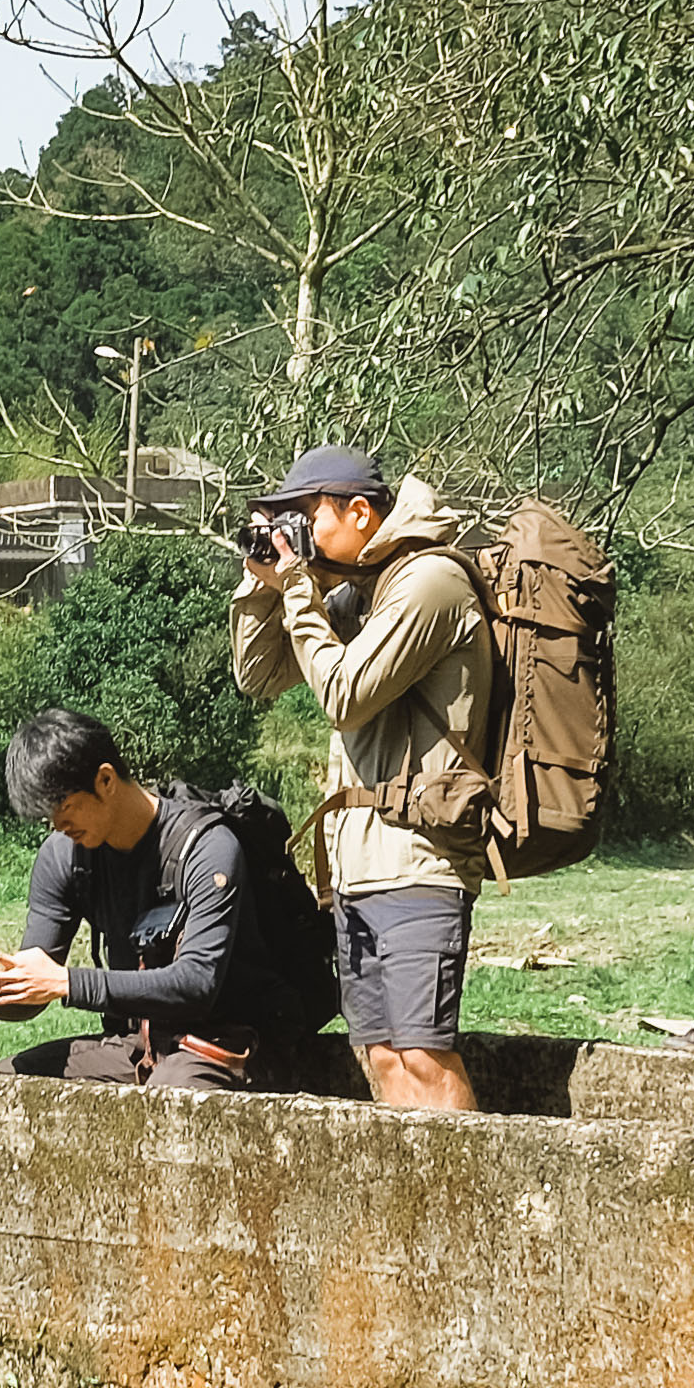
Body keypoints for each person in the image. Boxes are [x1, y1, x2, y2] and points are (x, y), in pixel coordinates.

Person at [230, 443, 491, 1114]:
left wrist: (297, 589)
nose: (297, 533)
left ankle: (467, 1206)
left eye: (304, 516)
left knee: (424, 1057)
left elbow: (343, 693)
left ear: (357, 511)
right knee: (380, 1056)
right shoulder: (358, 591)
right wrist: (264, 581)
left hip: (419, 856)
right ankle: (422, 1209)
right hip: (358, 866)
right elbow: (258, 675)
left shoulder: (428, 582)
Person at [0, 706, 342, 1087]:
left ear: (105, 780)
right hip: (139, 1044)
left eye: (65, 808)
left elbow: (196, 984)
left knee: (169, 1099)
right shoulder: (64, 856)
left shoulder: (206, 846)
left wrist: (66, 982)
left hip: (232, 1044)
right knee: (0, 1084)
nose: (57, 825)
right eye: (47, 816)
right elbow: (37, 985)